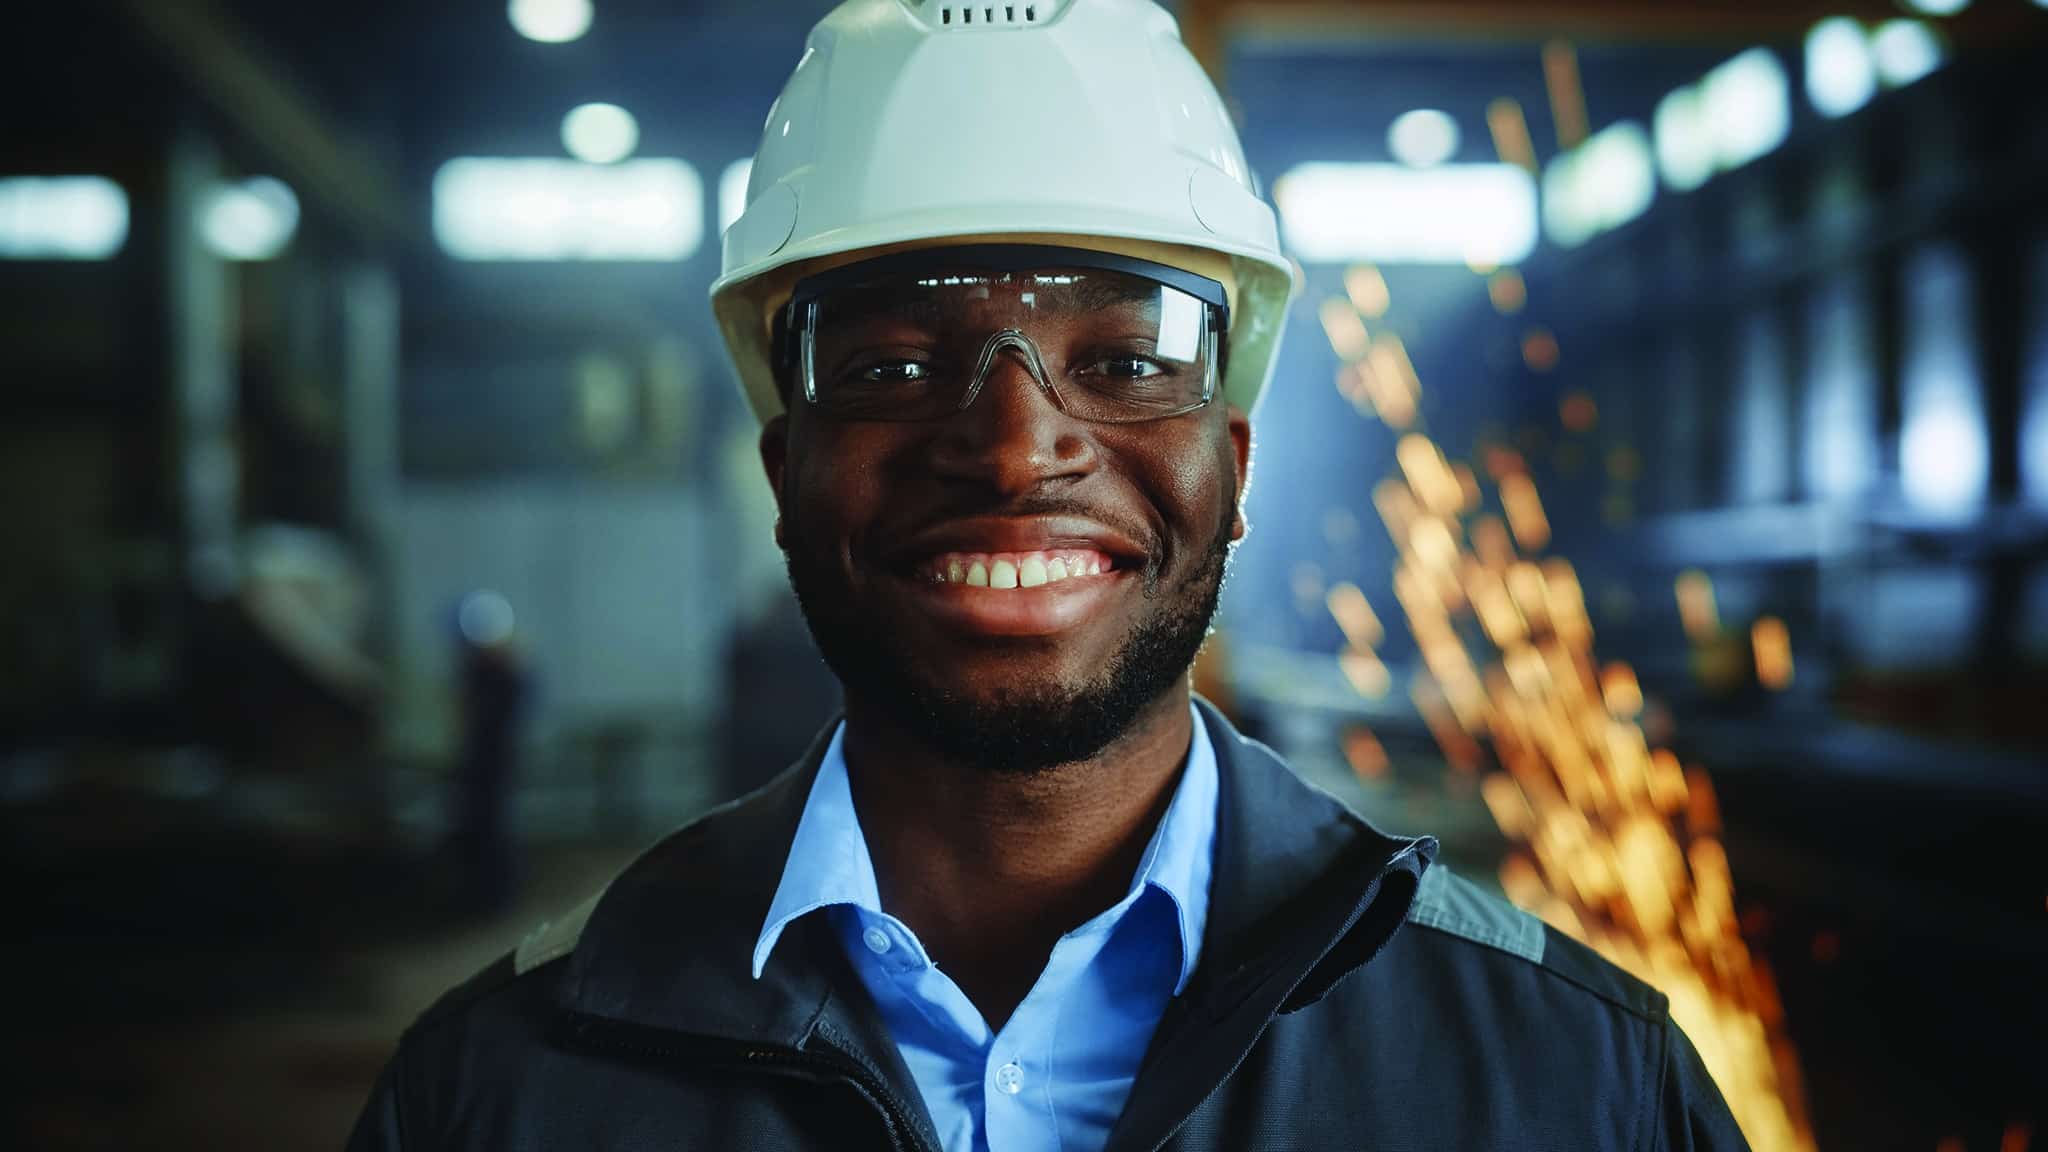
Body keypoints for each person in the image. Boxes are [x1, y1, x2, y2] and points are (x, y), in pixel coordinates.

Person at [348, 1, 1749, 1148]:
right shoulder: (498, 1092)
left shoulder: (1580, 1085)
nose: (1017, 451)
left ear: (1233, 471)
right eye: (896, 365)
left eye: (1129, 361)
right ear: (785, 477)